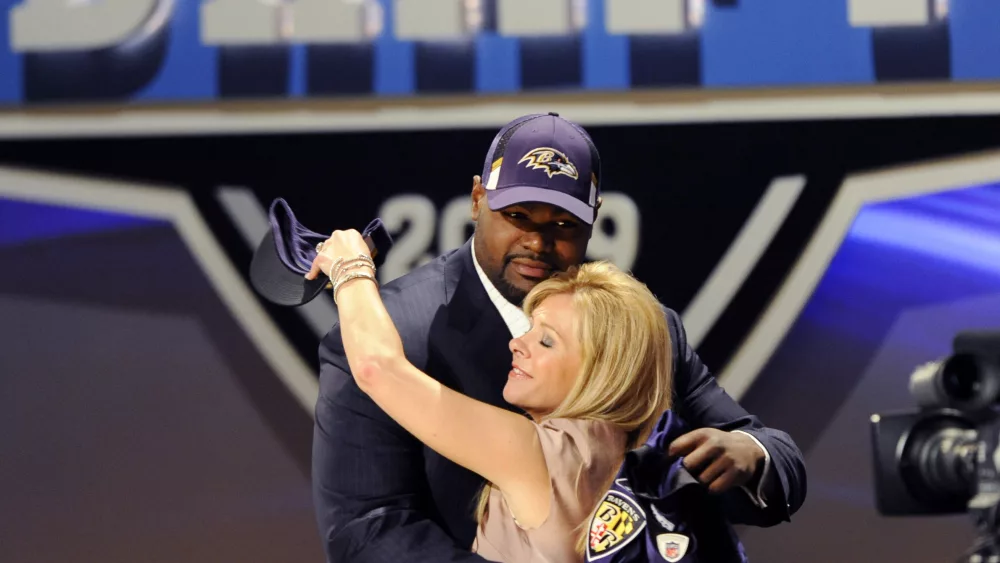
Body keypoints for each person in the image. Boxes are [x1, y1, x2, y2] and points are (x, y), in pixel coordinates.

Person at [309, 113, 807, 563]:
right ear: (478, 198)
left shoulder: (638, 332)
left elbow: (380, 368)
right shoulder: (402, 325)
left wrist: (752, 452)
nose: (538, 242)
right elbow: (365, 530)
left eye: (564, 224)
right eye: (518, 216)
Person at [308, 243, 673, 561]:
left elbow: (377, 369)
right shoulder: (610, 448)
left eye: (546, 342)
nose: (518, 344)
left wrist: (350, 268)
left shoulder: (547, 455)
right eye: (528, 329)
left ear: (601, 369)